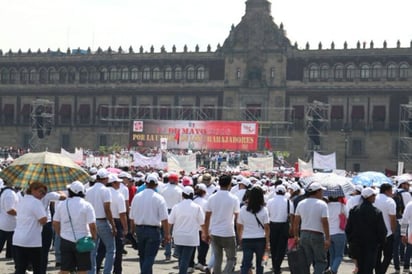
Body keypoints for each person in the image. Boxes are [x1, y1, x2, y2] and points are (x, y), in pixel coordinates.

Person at [52, 181, 97, 274]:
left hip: (66, 240)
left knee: (64, 269)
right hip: (83, 239)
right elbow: (92, 225)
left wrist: (61, 234)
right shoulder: (87, 205)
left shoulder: (62, 204)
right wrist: (93, 237)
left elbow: (55, 223)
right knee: (82, 269)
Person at [129, 173, 170, 274]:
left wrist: (132, 231)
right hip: (153, 230)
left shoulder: (137, 197)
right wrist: (167, 234)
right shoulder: (159, 198)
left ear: (146, 183)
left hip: (140, 229)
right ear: (156, 185)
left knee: (143, 256)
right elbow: (164, 219)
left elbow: (132, 217)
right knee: (150, 257)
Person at [203, 174, 240, 274]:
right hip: (228, 232)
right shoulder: (234, 198)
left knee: (217, 258)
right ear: (229, 184)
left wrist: (205, 233)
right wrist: (240, 233)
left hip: (215, 232)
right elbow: (238, 217)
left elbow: (206, 218)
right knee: (231, 258)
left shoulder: (212, 198)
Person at [345, 187, 387, 274]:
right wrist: (381, 242)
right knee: (368, 268)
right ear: (369, 197)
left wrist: (351, 241)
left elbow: (348, 228)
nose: (375, 197)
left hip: (357, 244)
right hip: (371, 245)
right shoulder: (376, 212)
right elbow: (382, 231)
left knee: (359, 267)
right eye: (373, 195)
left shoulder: (354, 210)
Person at [293, 181, 330, 274]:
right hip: (317, 234)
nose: (322, 193)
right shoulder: (322, 204)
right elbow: (325, 222)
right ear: (317, 191)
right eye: (321, 191)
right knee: (320, 261)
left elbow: (296, 222)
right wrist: (328, 238)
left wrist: (296, 236)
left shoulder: (301, 203)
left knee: (305, 261)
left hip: (304, 234)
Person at [85, 168, 117, 274]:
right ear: (105, 179)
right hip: (102, 221)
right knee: (110, 249)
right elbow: (107, 209)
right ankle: (107, 272)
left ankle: (91, 272)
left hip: (91, 222)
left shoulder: (88, 190)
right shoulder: (105, 190)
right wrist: (113, 225)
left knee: (92, 251)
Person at [12, 182, 48, 274]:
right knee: (38, 268)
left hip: (18, 239)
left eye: (44, 193)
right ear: (32, 190)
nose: (42, 195)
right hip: (31, 241)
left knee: (20, 268)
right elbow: (43, 220)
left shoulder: (23, 199)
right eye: (41, 192)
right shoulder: (36, 202)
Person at [168, 186, 205, 274]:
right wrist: (205, 233)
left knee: (181, 258)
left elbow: (170, 222)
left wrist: (168, 233)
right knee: (185, 258)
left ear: (183, 195)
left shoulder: (176, 207)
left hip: (178, 236)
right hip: (191, 237)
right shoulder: (197, 207)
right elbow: (202, 222)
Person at [96, 174, 128, 274]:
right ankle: (117, 270)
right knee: (117, 248)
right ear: (113, 183)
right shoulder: (118, 195)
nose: (119, 184)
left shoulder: (102, 192)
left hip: (103, 220)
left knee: (101, 247)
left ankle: (96, 267)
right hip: (116, 222)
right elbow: (122, 214)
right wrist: (125, 228)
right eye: (118, 182)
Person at [236, 186, 270, 274]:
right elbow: (266, 228)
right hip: (260, 239)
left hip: (247, 239)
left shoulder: (243, 209)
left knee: (246, 264)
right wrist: (267, 242)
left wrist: (240, 238)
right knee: (261, 263)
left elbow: (239, 226)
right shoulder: (264, 210)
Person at [267, 184, 294, 274]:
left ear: (276, 191)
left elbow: (268, 214)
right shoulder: (288, 202)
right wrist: (292, 228)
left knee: (273, 246)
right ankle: (277, 266)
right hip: (284, 226)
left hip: (272, 225)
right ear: (284, 192)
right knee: (282, 248)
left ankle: (275, 265)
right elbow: (291, 216)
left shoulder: (270, 201)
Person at [373, 183, 396, 274]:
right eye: (391, 190)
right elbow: (392, 218)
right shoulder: (390, 201)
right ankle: (381, 272)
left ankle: (378, 271)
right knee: (388, 255)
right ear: (387, 191)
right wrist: (393, 229)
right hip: (388, 232)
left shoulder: (374, 199)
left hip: (375, 232)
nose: (392, 192)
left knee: (377, 255)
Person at [160, 172, 182, 260]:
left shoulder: (163, 189)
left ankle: (167, 253)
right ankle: (176, 252)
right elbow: (181, 203)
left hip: (165, 211)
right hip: (175, 211)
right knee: (175, 233)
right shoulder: (179, 190)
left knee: (166, 233)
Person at [393, 178, 412, 272]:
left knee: (395, 245)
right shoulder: (406, 194)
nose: (408, 186)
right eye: (407, 184)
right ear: (403, 184)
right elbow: (406, 214)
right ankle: (406, 266)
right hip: (406, 222)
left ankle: (396, 267)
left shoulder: (394, 193)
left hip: (396, 221)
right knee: (408, 245)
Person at [326, 196, 347, 274]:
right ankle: (333, 270)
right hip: (339, 232)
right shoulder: (342, 206)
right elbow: (348, 217)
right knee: (339, 255)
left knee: (332, 254)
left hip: (328, 233)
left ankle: (332, 269)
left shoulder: (326, 206)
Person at [0, 179, 18, 261]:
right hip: (8, 224)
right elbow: (10, 210)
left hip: (7, 223)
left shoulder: (8, 192)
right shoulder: (9, 194)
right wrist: (21, 213)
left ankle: (10, 255)